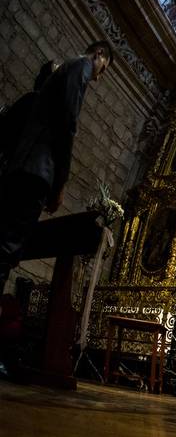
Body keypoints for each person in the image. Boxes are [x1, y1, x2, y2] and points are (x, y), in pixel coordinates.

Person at [0, 42, 111, 292]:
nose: (98, 77)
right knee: (8, 247)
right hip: (36, 172)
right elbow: (68, 124)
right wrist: (60, 183)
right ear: (99, 54)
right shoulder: (81, 65)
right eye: (103, 69)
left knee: (6, 241)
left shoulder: (62, 73)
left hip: (23, 167)